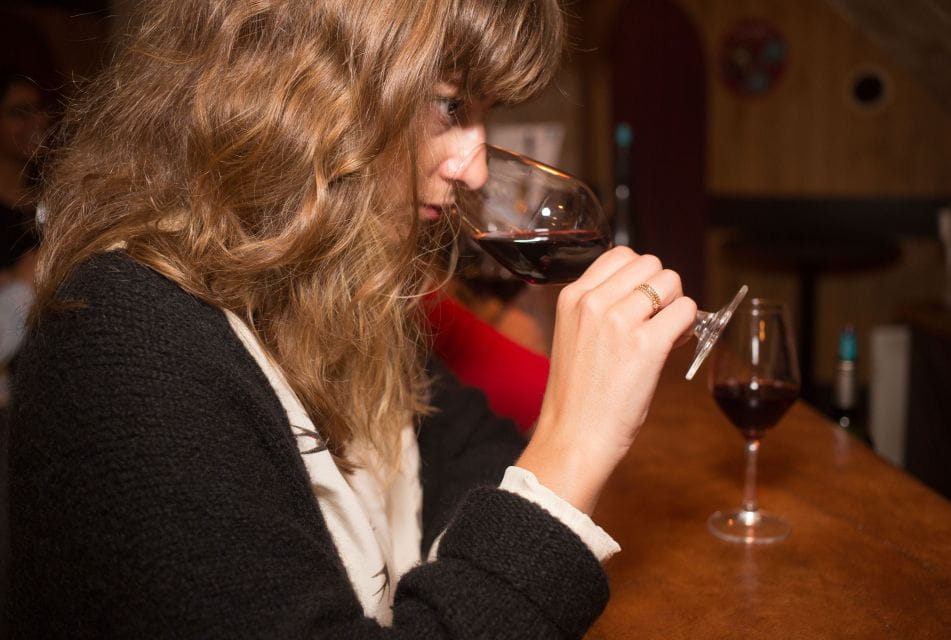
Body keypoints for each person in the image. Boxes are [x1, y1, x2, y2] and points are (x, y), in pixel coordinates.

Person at [9, 0, 697, 637]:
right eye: (450, 105)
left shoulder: (335, 295)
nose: (476, 171)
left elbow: (474, 463)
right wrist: (571, 450)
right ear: (300, 89)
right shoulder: (123, 339)